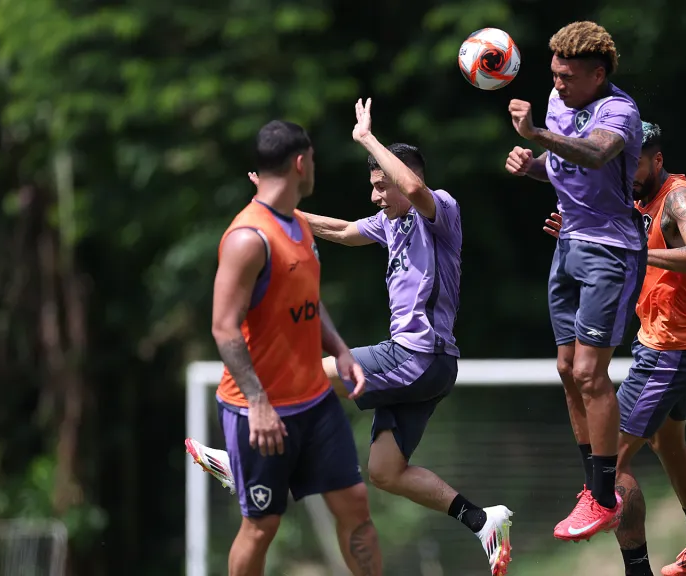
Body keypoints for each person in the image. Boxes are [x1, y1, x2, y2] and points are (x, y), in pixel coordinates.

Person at [189, 99, 514, 576]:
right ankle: (483, 519)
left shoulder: (439, 209)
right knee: (385, 471)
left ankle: (246, 466)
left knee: (316, 375)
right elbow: (341, 231)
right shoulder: (390, 224)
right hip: (426, 367)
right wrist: (277, 212)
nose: (376, 196)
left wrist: (366, 138)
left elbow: (413, 186)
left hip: (417, 355)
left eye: (381, 185)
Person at [542, 122, 686, 576]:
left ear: (657, 160)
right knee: (669, 444)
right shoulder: (633, 198)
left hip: (672, 350)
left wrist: (637, 254)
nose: (625, 174)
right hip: (682, 341)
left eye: (634, 164)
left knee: (610, 460)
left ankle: (632, 564)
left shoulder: (679, 197)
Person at [206, 119, 382, 575]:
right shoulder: (248, 238)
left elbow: (307, 298)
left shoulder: (299, 225)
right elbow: (224, 328)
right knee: (261, 526)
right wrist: (260, 405)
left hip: (315, 403)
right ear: (301, 163)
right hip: (260, 412)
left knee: (355, 506)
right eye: (314, 161)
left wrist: (340, 348)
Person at [504, 20, 646, 542]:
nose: (558, 84)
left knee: (590, 373)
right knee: (566, 369)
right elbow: (564, 166)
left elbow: (594, 153)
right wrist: (531, 165)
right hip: (566, 246)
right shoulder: (558, 97)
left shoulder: (620, 111)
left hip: (609, 251)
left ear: (598, 72)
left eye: (568, 76)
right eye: (554, 74)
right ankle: (593, 487)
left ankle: (605, 496)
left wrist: (536, 135)